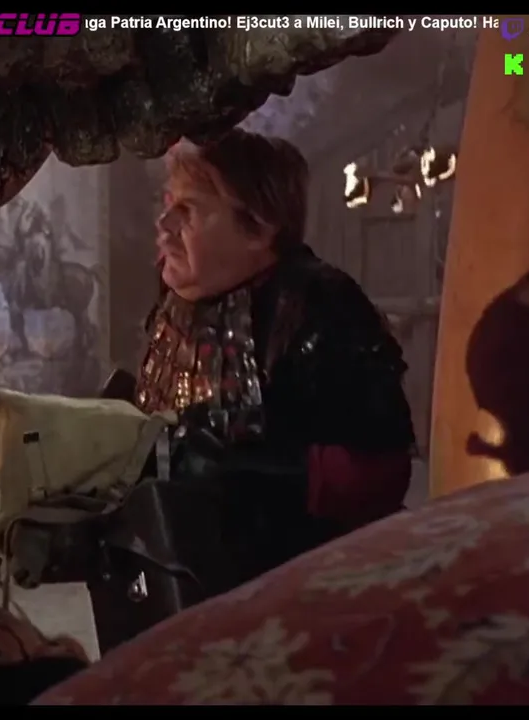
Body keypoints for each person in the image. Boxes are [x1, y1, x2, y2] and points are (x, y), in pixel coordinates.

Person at [87, 129, 416, 651]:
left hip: (296, 618)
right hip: (171, 597)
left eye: (189, 210)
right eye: (168, 203)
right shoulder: (177, 303)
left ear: (258, 228)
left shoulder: (319, 304)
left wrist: (246, 472)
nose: (164, 224)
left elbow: (380, 471)